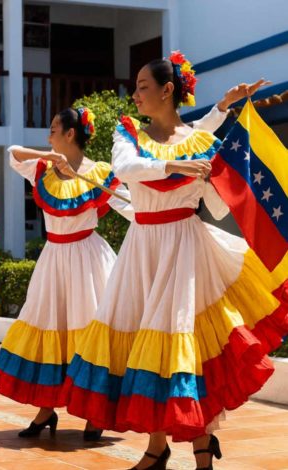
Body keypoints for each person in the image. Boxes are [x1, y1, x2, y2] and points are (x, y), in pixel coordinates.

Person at [62, 51, 281, 470]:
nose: (136, 95)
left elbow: (215, 200)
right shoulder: (129, 135)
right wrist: (178, 163)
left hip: (184, 248)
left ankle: (189, 449)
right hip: (143, 249)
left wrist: (219, 128)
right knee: (152, 347)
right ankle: (162, 446)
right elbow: (126, 168)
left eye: (143, 87)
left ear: (167, 90)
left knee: (181, 348)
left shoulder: (201, 142)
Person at [0, 107, 132, 441]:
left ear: (70, 134)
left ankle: (95, 414)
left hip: (87, 258)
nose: (47, 135)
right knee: (50, 326)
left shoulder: (99, 173)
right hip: (54, 258)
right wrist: (50, 156)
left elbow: (128, 206)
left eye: (53, 130)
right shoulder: (44, 168)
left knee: (88, 330)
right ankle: (46, 409)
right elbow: (12, 153)